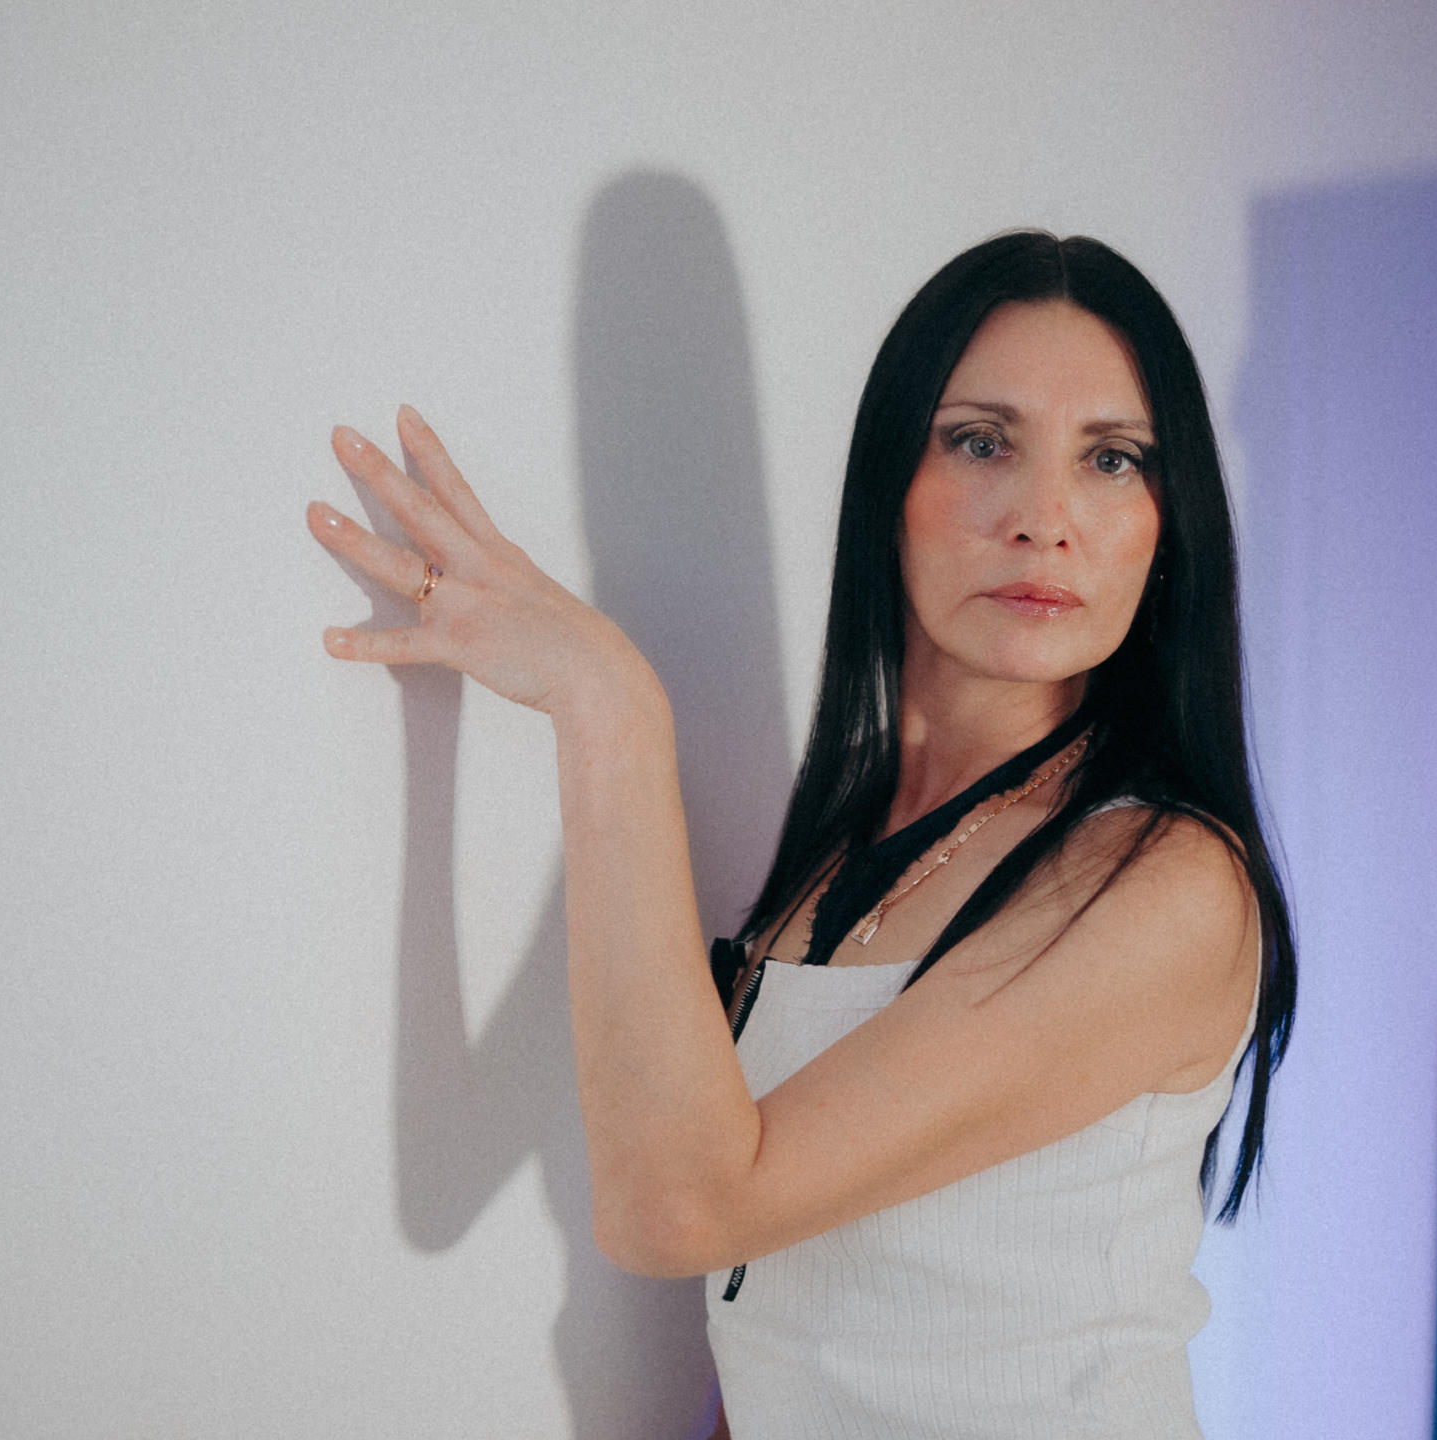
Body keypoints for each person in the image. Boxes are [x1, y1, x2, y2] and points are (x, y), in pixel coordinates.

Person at [307, 230, 1298, 1439]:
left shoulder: (1167, 883)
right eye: (982, 442)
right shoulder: (847, 848)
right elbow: (786, 1310)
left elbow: (679, 1209)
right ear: (891, 486)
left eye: (1113, 458)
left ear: (1168, 522)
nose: (1046, 520)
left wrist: (608, 705)